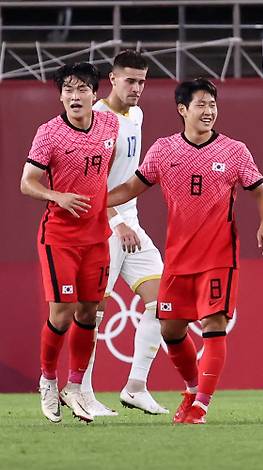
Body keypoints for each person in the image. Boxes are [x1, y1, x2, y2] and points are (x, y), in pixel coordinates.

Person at [107, 78, 263, 424]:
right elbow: (130, 188)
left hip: (218, 257)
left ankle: (201, 404)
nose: (209, 111)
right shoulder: (163, 150)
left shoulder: (234, 150)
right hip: (179, 260)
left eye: (212, 105)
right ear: (182, 110)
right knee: (170, 330)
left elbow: (261, 192)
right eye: (200, 105)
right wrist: (96, 202)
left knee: (214, 324)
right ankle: (191, 389)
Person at [20, 63, 119, 423]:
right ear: (60, 95)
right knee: (62, 313)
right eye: (68, 90)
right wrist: (57, 195)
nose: (74, 97)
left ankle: (75, 387)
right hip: (59, 237)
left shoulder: (111, 124)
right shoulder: (49, 133)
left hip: (97, 238)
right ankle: (48, 379)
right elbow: (27, 182)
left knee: (90, 312)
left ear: (95, 94)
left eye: (81, 90)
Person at [80, 50, 168, 416]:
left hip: (130, 221)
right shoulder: (96, 118)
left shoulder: (137, 113)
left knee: (164, 302)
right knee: (92, 312)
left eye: (142, 81)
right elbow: (92, 180)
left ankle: (135, 387)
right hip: (103, 224)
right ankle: (81, 391)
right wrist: (117, 221)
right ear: (112, 79)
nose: (137, 88)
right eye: (130, 80)